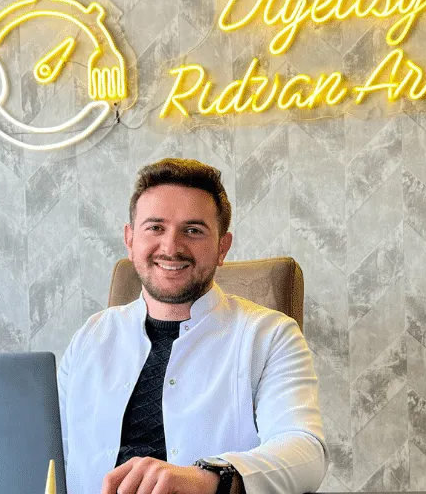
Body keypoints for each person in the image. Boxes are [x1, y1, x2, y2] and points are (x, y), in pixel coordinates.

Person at [58, 158, 328, 494]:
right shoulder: (90, 337)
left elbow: (305, 452)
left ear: (222, 247)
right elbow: (50, 454)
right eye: (155, 227)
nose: (171, 247)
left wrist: (209, 478)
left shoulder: (271, 335)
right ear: (130, 240)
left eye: (193, 230)